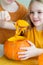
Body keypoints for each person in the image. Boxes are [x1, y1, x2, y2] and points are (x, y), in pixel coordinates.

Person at [18, 0, 43, 64]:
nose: (34, 16)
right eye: (32, 12)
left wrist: (37, 51)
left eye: (39, 12)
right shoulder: (25, 27)